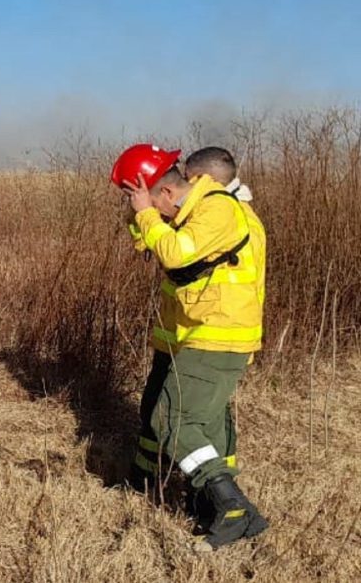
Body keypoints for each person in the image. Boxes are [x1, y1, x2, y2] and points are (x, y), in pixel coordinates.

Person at [113, 143, 267, 550]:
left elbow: (177, 254)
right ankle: (208, 502)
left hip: (219, 334)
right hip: (198, 333)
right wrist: (141, 216)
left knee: (174, 420)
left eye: (147, 199)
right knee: (199, 421)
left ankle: (231, 506)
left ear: (164, 193)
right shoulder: (194, 212)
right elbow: (154, 244)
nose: (146, 210)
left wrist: (146, 212)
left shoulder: (217, 209)